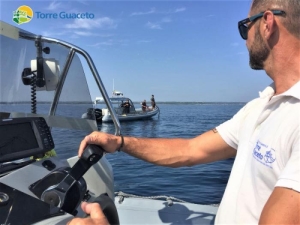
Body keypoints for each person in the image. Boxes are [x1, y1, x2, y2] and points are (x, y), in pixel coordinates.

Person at [70, 0, 300, 224]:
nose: (245, 41)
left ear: (267, 23)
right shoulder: (261, 106)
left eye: (244, 27)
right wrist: (119, 142)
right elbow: (191, 150)